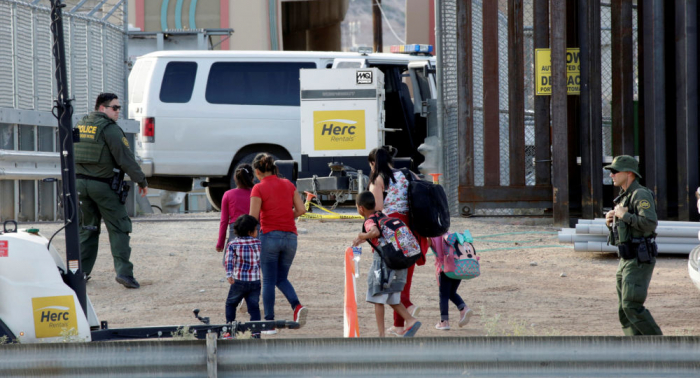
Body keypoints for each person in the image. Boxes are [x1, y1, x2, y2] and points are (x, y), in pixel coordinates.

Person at [74, 93, 148, 289]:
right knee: (119, 228)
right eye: (114, 108)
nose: (117, 112)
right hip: (103, 187)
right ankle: (124, 273)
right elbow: (125, 158)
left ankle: (80, 273)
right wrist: (141, 180)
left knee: (87, 229)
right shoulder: (110, 129)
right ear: (102, 108)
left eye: (118, 108)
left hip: (79, 185)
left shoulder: (80, 124)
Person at [367, 146, 427, 336]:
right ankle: (399, 325)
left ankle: (408, 307)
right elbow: (422, 192)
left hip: (390, 229)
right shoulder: (408, 174)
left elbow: (377, 208)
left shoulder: (378, 179)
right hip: (409, 227)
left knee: (389, 276)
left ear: (373, 163)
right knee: (404, 277)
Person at [249, 153, 308, 333]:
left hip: (269, 237)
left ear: (258, 172)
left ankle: (269, 323)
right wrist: (284, 216)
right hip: (291, 238)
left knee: (267, 280)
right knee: (280, 278)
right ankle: (297, 307)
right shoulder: (288, 184)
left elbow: (253, 218)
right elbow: (302, 209)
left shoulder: (258, 188)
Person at [604, 155, 663, 335]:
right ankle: (636, 353)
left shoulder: (640, 194)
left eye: (615, 171)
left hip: (639, 257)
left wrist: (624, 216)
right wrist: (611, 222)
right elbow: (625, 230)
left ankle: (663, 349)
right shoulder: (624, 197)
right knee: (624, 309)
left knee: (631, 305)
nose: (611, 175)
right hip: (626, 258)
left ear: (629, 173)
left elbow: (650, 223)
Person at [352, 191, 422, 337]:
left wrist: (362, 235)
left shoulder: (368, 221)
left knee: (378, 298)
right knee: (391, 296)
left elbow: (375, 232)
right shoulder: (382, 216)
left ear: (360, 209)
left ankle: (381, 334)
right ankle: (410, 320)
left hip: (383, 263)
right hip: (398, 261)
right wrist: (365, 238)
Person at [222, 214, 262, 339]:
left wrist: (229, 274)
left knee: (231, 304)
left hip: (238, 281)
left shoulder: (233, 244)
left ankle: (230, 330)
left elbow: (229, 261)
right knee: (254, 307)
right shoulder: (259, 244)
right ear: (250, 232)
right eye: (256, 229)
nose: (257, 231)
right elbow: (262, 261)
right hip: (255, 281)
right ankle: (255, 333)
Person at [427, 235, 473, 330]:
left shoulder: (432, 237)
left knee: (443, 295)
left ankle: (444, 322)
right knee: (452, 293)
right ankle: (463, 308)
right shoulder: (450, 235)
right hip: (458, 267)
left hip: (445, 269)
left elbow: (423, 248)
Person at [216, 164, 255, 252]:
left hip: (235, 232)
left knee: (231, 262)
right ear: (252, 179)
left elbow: (224, 221)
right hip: (254, 231)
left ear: (235, 178)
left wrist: (220, 243)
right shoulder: (256, 194)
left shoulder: (228, 194)